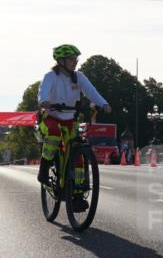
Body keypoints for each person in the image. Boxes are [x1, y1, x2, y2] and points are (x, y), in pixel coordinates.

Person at [37, 44, 111, 210]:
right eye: (71, 59)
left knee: (77, 154)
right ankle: (44, 168)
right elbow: (43, 91)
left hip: (70, 119)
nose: (75, 62)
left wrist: (103, 104)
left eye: (76, 59)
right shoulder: (51, 76)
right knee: (54, 134)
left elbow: (91, 91)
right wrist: (44, 101)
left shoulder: (79, 77)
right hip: (51, 117)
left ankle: (77, 195)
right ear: (61, 61)